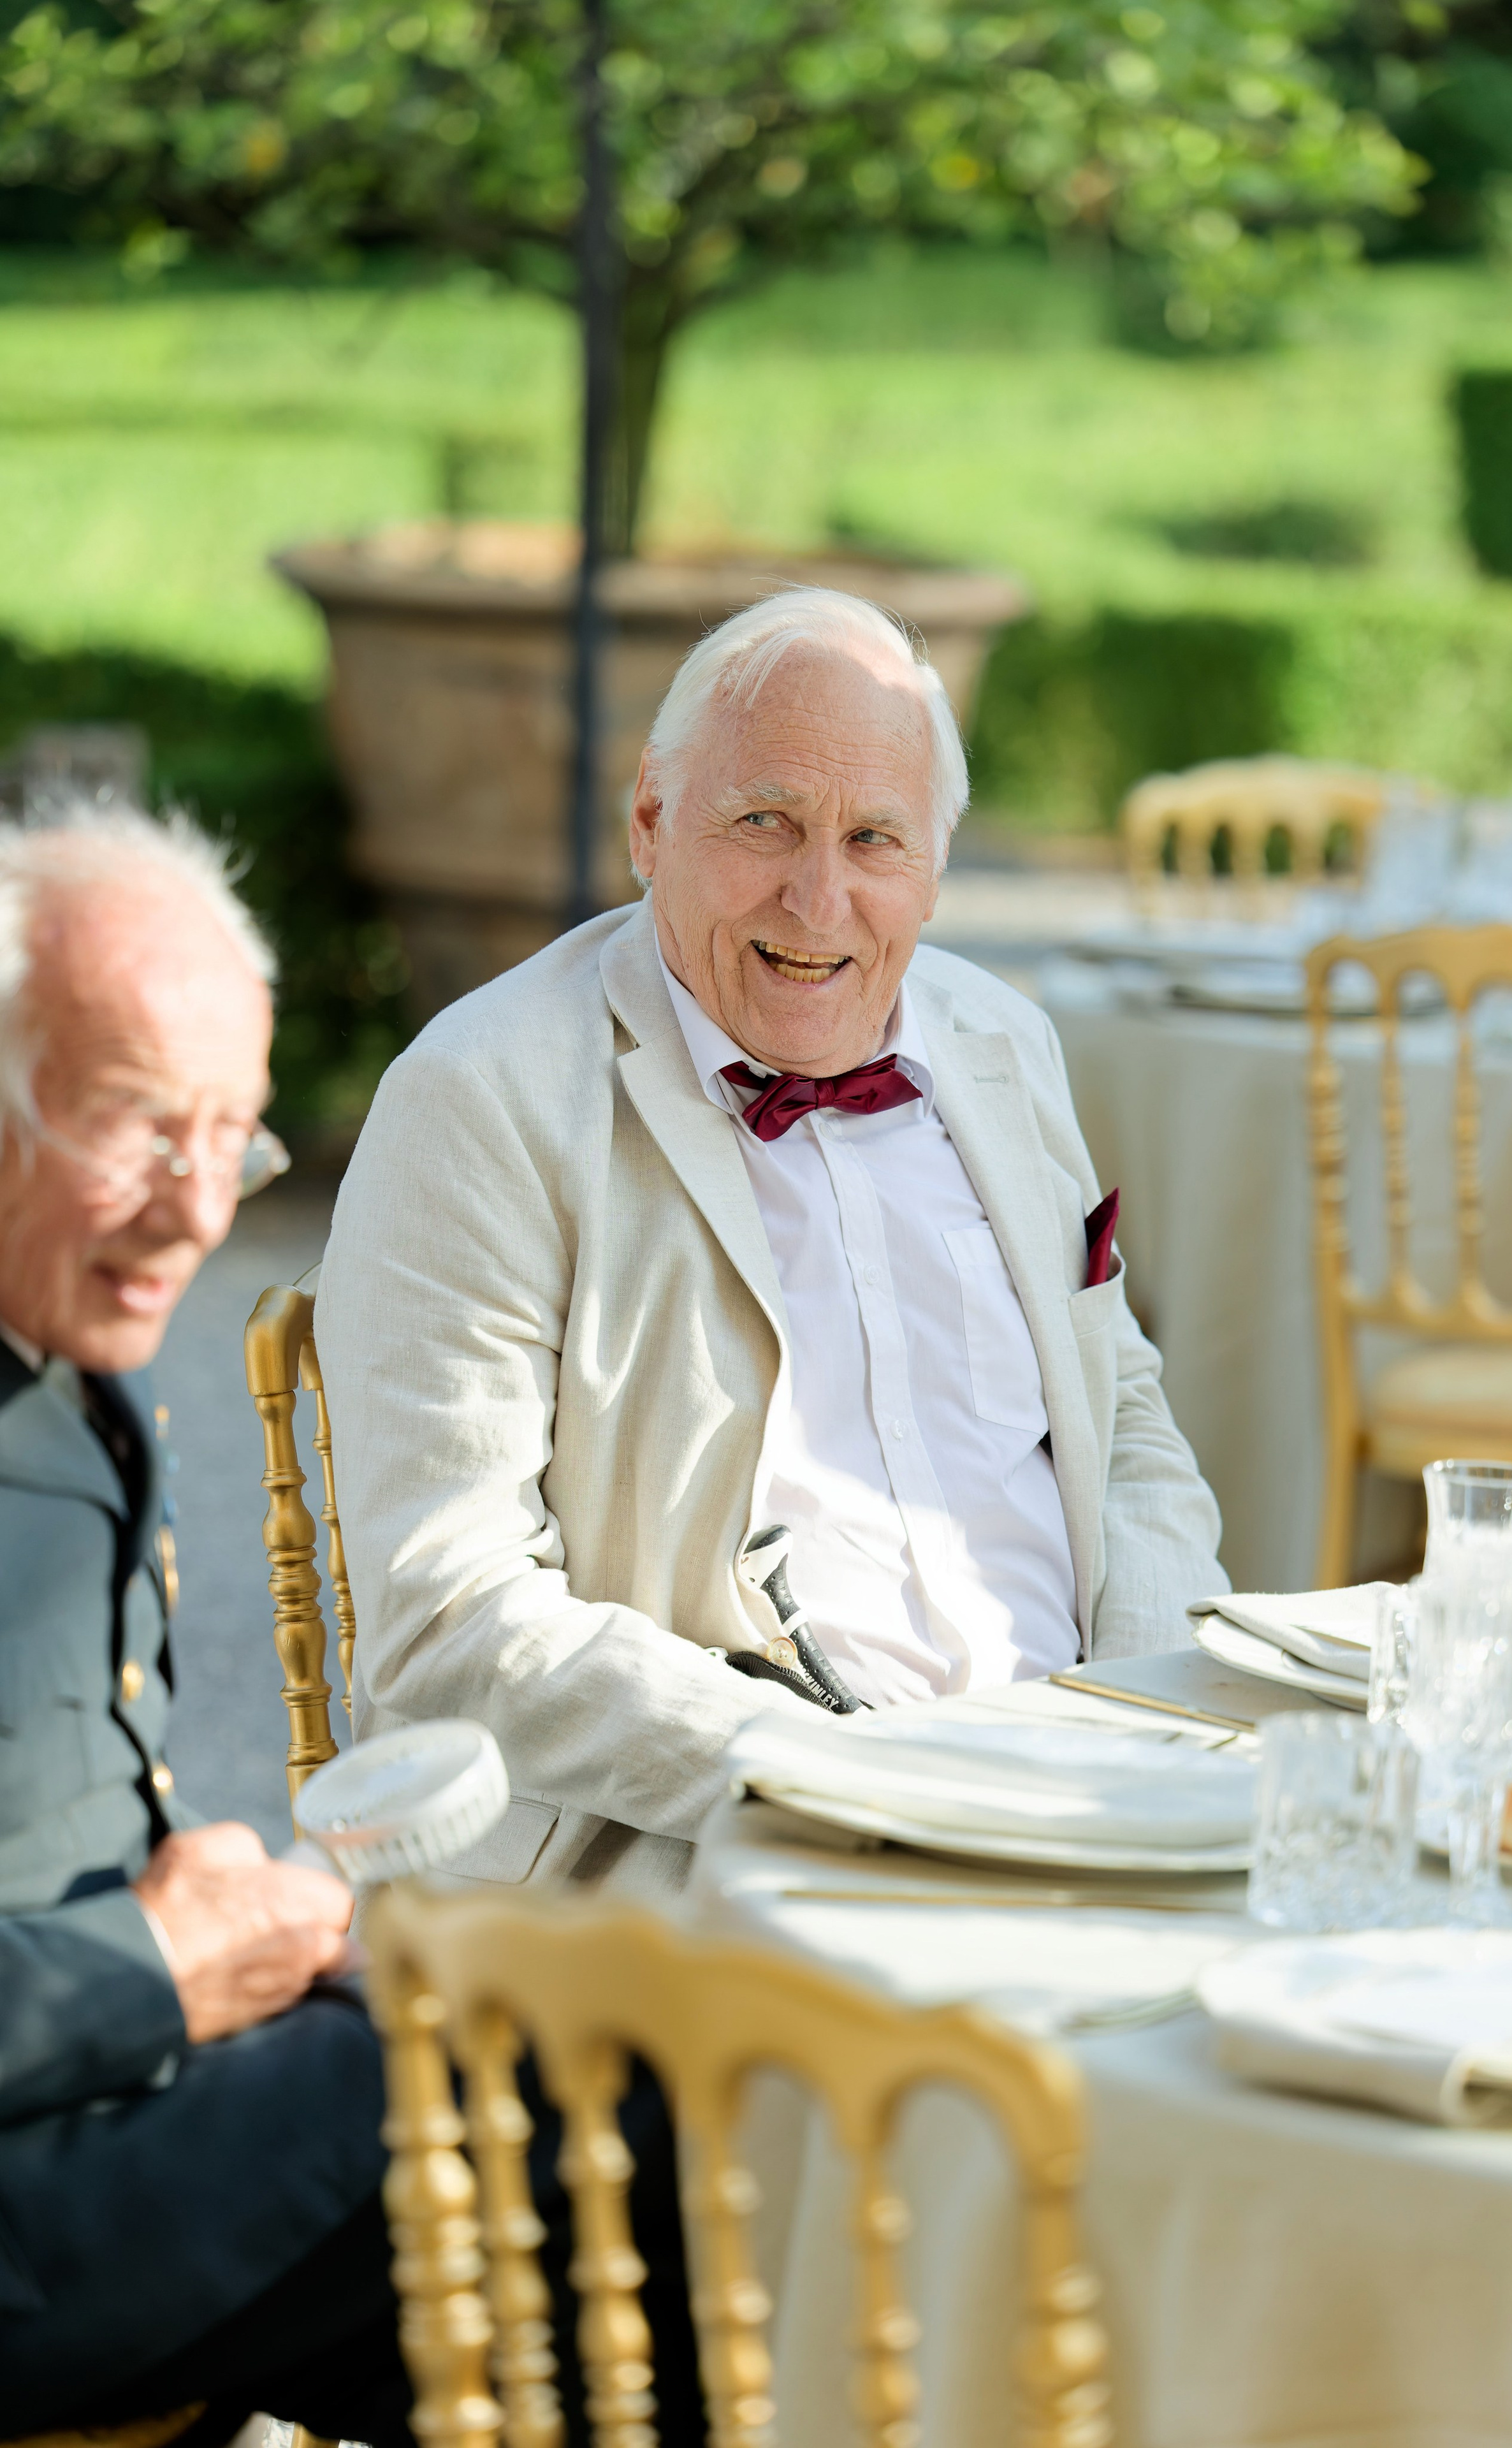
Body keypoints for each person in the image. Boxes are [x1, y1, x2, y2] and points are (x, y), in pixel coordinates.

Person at [318, 587, 1226, 1902]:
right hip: (704, 1844)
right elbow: (446, 1613)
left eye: (873, 840)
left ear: (934, 868)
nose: (818, 898)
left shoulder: (1000, 1045)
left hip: (1075, 1797)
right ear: (649, 822)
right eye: (764, 824)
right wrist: (845, 1785)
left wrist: (1139, 1724)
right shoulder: (484, 1098)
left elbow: (1122, 1418)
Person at [0, 805, 703, 2448]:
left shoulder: (70, 1379)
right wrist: (154, 1961)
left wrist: (208, 1907)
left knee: (618, 2148)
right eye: (131, 1127)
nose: (193, 1212)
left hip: (98, 2123)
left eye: (229, 1143)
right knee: (603, 2112)